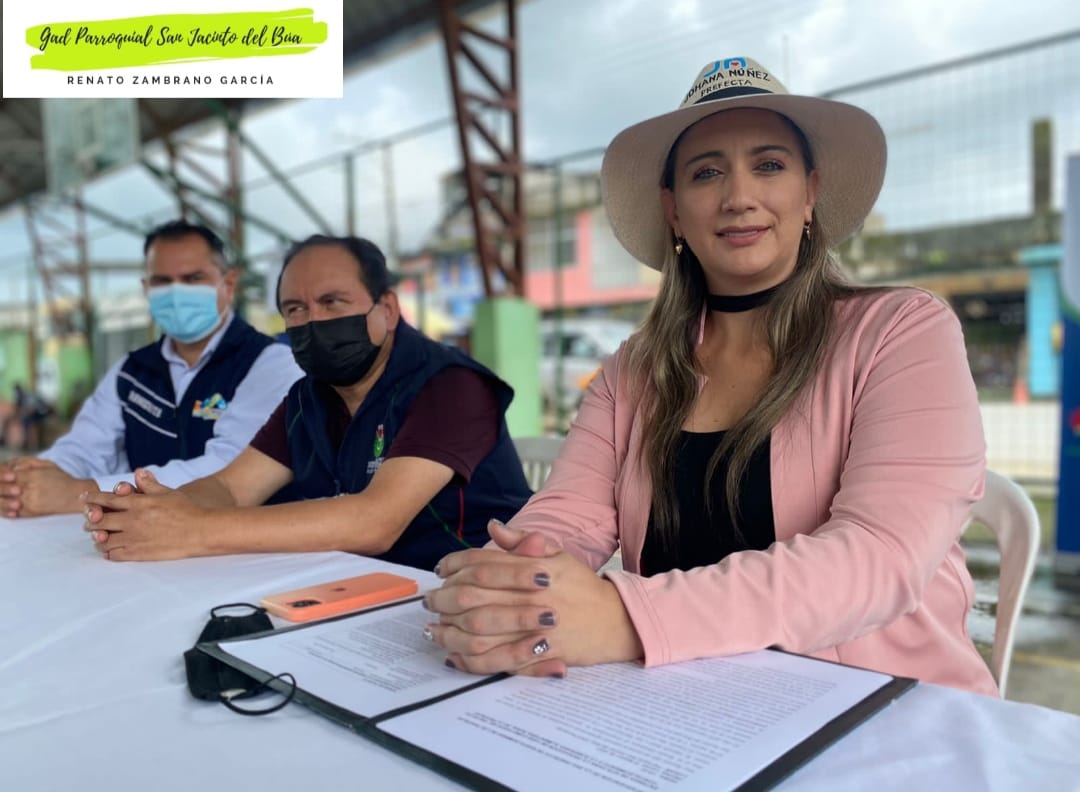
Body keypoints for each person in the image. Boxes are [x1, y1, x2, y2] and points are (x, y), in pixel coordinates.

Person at [422, 57, 998, 696]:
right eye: (706, 172)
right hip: (687, 705)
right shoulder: (633, 370)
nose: (739, 196)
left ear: (810, 191)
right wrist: (506, 587)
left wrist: (626, 617)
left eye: (769, 165)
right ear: (673, 209)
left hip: (882, 705)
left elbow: (879, 556)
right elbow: (568, 517)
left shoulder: (901, 330)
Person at [81, 235, 532, 571]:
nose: (314, 321)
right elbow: (232, 489)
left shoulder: (451, 386)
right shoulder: (309, 396)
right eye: (295, 309)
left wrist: (193, 530)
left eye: (333, 302)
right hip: (353, 590)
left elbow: (375, 522)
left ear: (388, 309)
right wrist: (155, 511)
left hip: (464, 594)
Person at [0, 220, 303, 518]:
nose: (176, 293)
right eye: (162, 281)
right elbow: (84, 448)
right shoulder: (132, 372)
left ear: (229, 283)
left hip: (247, 543)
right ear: (146, 288)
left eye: (193, 278)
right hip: (146, 538)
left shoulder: (271, 364)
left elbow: (228, 470)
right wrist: (28, 480)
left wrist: (82, 493)